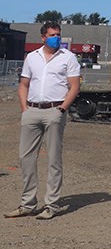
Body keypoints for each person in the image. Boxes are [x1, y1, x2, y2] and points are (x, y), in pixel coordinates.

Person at [5, 22, 81, 220]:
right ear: (43, 37)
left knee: (54, 159)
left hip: (55, 110)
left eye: (58, 34)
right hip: (32, 110)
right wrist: (24, 109)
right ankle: (27, 203)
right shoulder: (32, 57)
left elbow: (74, 86)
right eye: (53, 34)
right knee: (26, 158)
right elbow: (23, 85)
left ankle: (51, 204)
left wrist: (62, 109)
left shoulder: (68, 57)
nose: (57, 37)